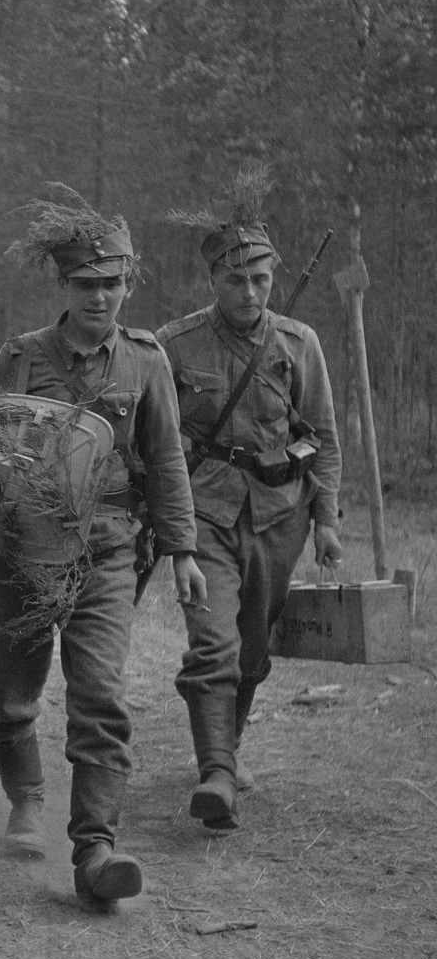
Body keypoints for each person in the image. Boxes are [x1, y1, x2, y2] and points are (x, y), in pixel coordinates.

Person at [0, 195, 206, 911]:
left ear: (128, 286)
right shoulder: (21, 357)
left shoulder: (145, 363)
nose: (99, 296)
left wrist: (184, 549)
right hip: (23, 552)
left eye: (111, 284)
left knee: (101, 697)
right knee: (12, 694)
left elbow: (166, 461)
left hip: (109, 550)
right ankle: (25, 796)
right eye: (86, 285)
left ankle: (96, 850)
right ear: (64, 289)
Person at [156, 218, 342, 832]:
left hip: (279, 515)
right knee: (214, 642)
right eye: (236, 280)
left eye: (260, 280)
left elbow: (324, 438)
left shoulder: (299, 344)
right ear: (212, 279)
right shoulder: (174, 345)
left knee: (254, 650)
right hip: (203, 511)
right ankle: (216, 774)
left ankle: (226, 749)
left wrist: (326, 520)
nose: (250, 293)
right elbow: (151, 438)